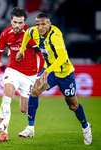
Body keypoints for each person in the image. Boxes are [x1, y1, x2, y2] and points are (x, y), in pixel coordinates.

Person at [16, 13, 92, 145]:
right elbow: (27, 33)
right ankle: (30, 128)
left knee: (73, 105)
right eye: (38, 24)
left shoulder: (55, 36)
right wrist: (21, 50)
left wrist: (48, 70)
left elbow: (62, 58)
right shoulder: (34, 31)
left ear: (49, 24)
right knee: (34, 91)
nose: (40, 27)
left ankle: (85, 127)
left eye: (43, 24)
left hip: (65, 74)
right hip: (50, 72)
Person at [0, 7, 44, 142]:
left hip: (29, 75)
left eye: (20, 23)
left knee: (23, 110)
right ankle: (4, 133)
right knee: (6, 95)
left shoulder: (30, 34)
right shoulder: (5, 34)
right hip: (13, 70)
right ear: (11, 21)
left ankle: (28, 125)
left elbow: (40, 55)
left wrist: (38, 75)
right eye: (15, 22)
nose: (17, 26)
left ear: (24, 22)